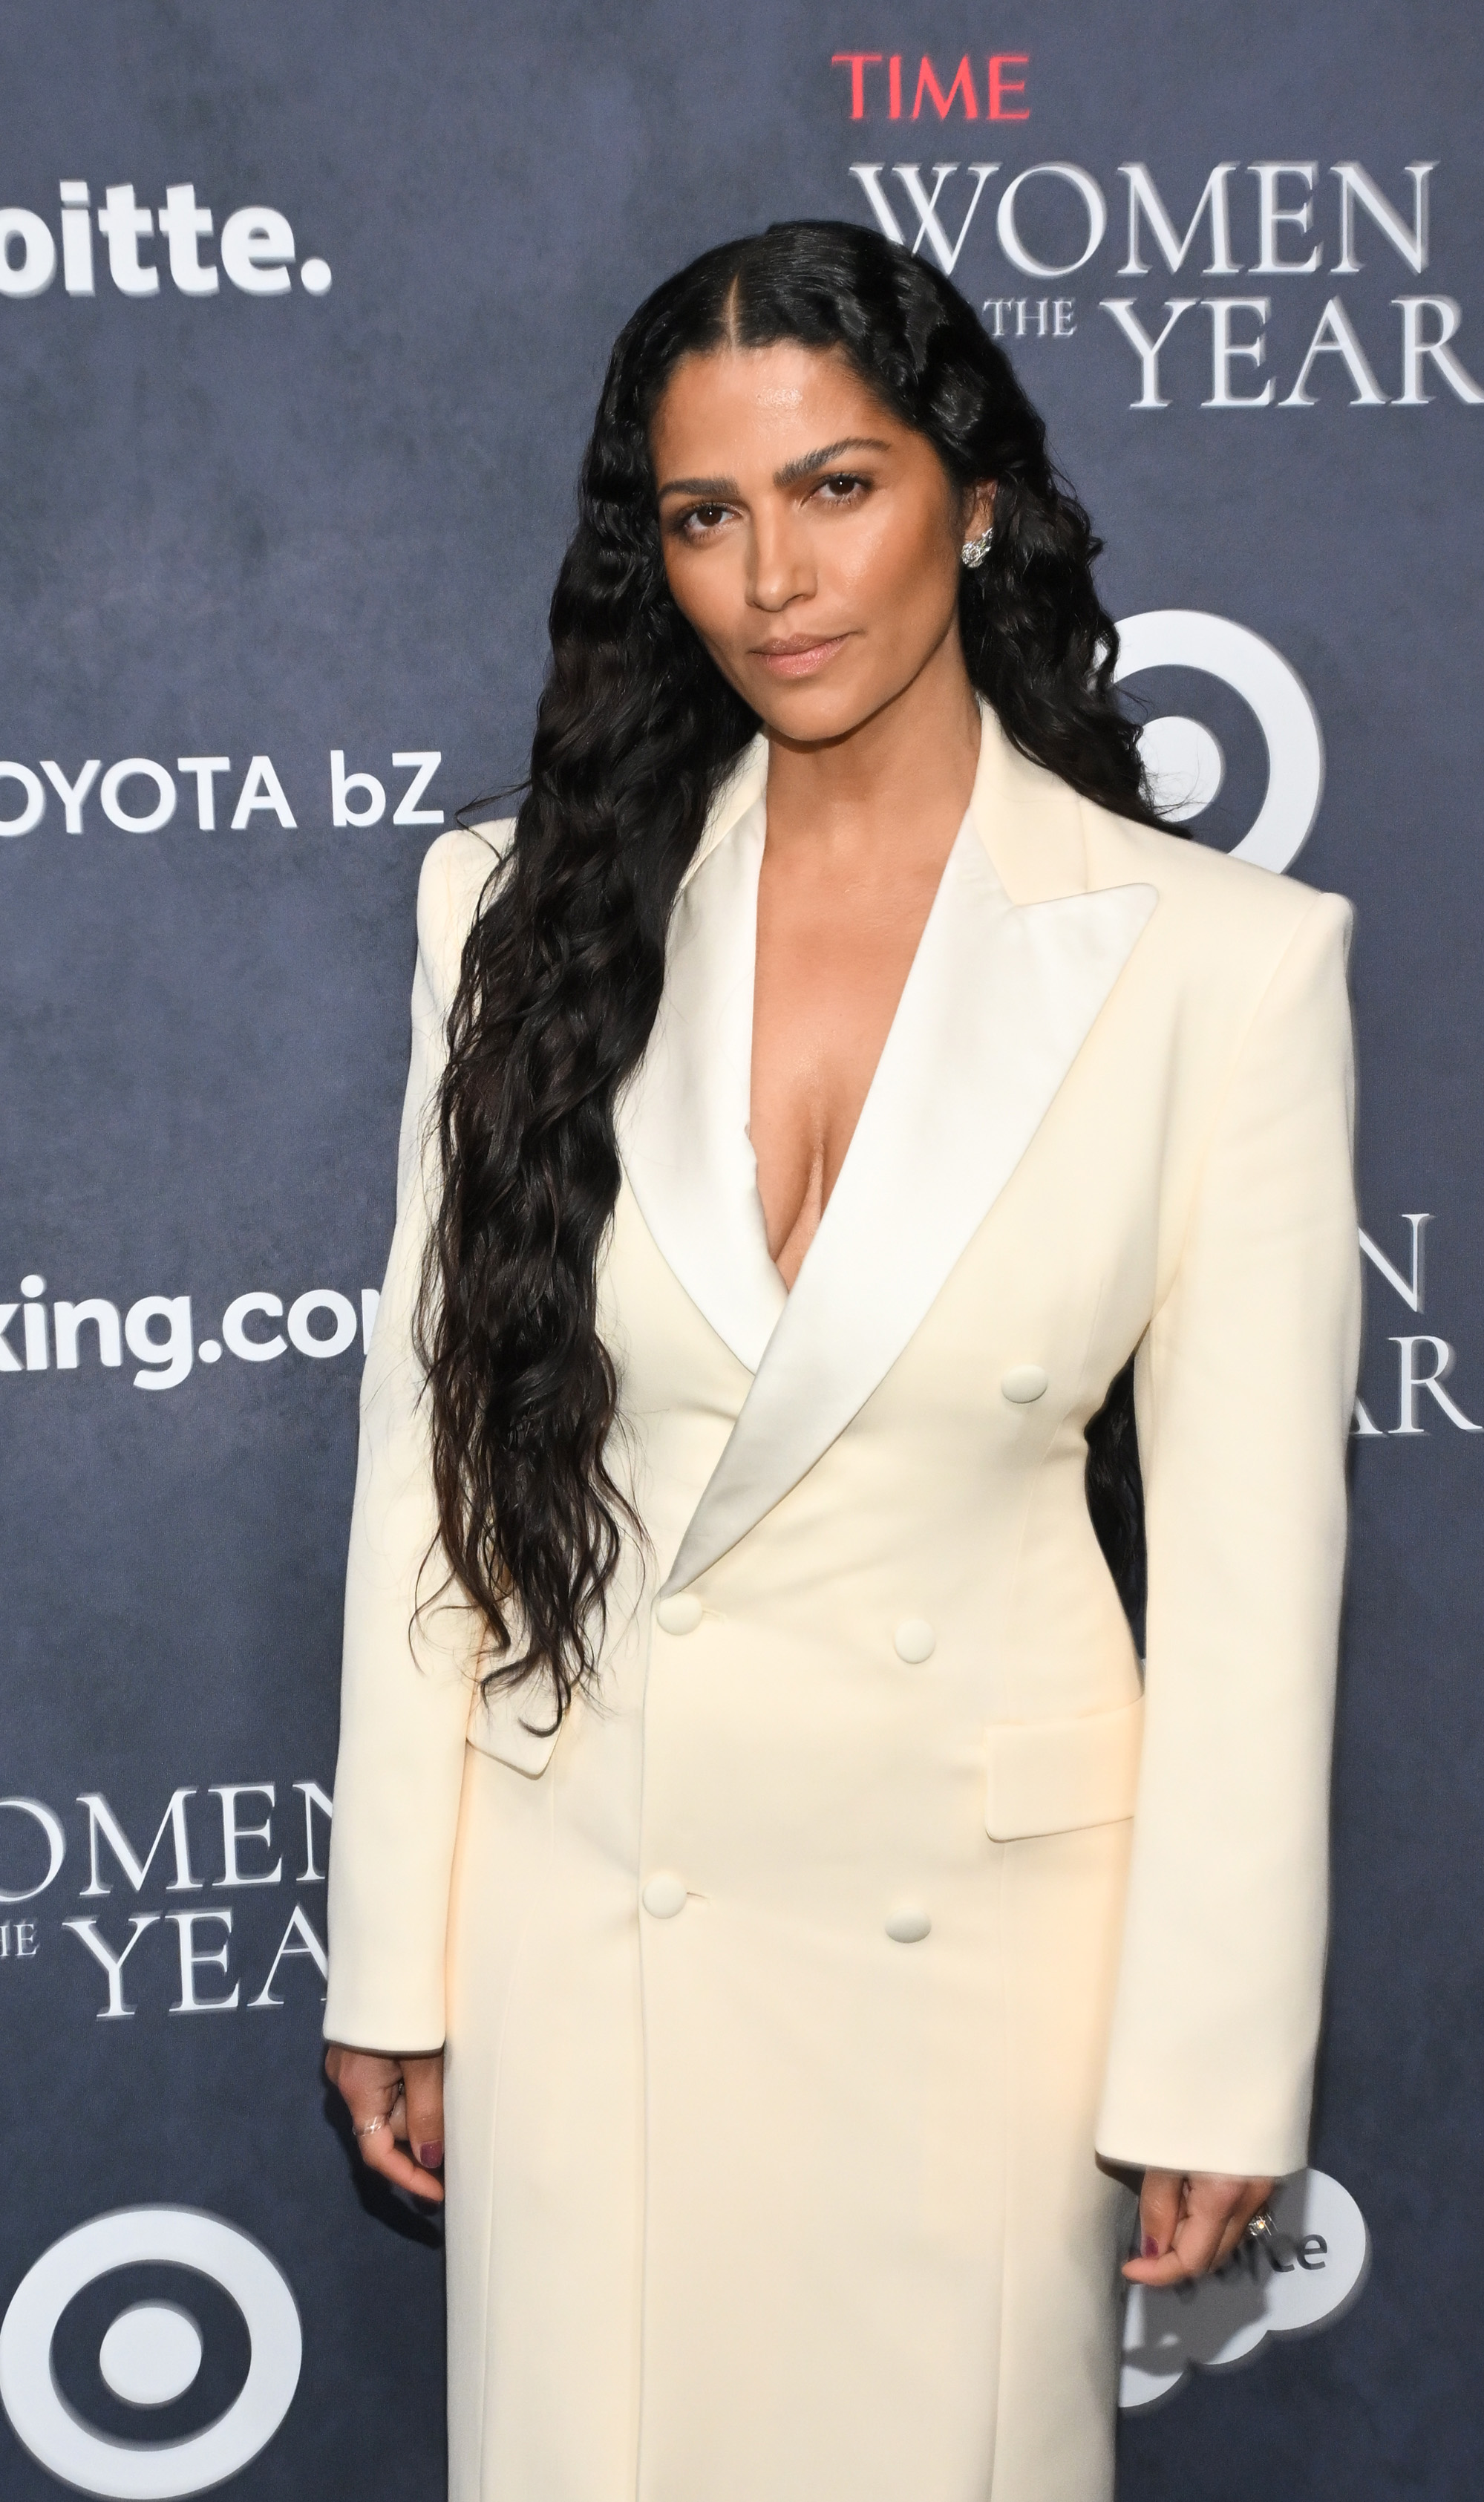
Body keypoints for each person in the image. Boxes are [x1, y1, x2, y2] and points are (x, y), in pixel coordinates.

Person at [322, 219, 1360, 2502]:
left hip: (975, 1969)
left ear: (970, 496)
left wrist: (1210, 2059)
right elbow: (437, 1461)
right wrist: (396, 1944)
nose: (775, 577)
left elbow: (1258, 1574)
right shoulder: (516, 916)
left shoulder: (1218, 971)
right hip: (599, 1920)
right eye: (708, 515)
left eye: (838, 488)